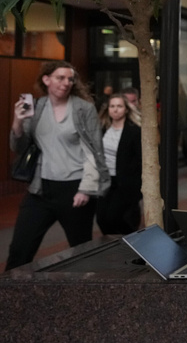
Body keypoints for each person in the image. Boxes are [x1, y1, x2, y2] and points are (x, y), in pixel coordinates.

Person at [6, 61, 110, 270]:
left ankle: (88, 295)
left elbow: (94, 151)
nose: (66, 83)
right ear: (46, 80)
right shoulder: (35, 106)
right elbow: (19, 146)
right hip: (40, 189)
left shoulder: (83, 109)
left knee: (81, 250)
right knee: (20, 248)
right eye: (60, 78)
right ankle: (8, 297)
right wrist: (17, 121)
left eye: (70, 79)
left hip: (75, 189)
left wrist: (86, 189)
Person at [96, 94, 142, 235]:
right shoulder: (102, 129)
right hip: (105, 180)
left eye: (119, 106)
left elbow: (140, 159)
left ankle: (128, 246)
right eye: (112, 106)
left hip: (125, 182)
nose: (115, 110)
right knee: (102, 219)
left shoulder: (134, 130)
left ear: (126, 109)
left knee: (120, 218)